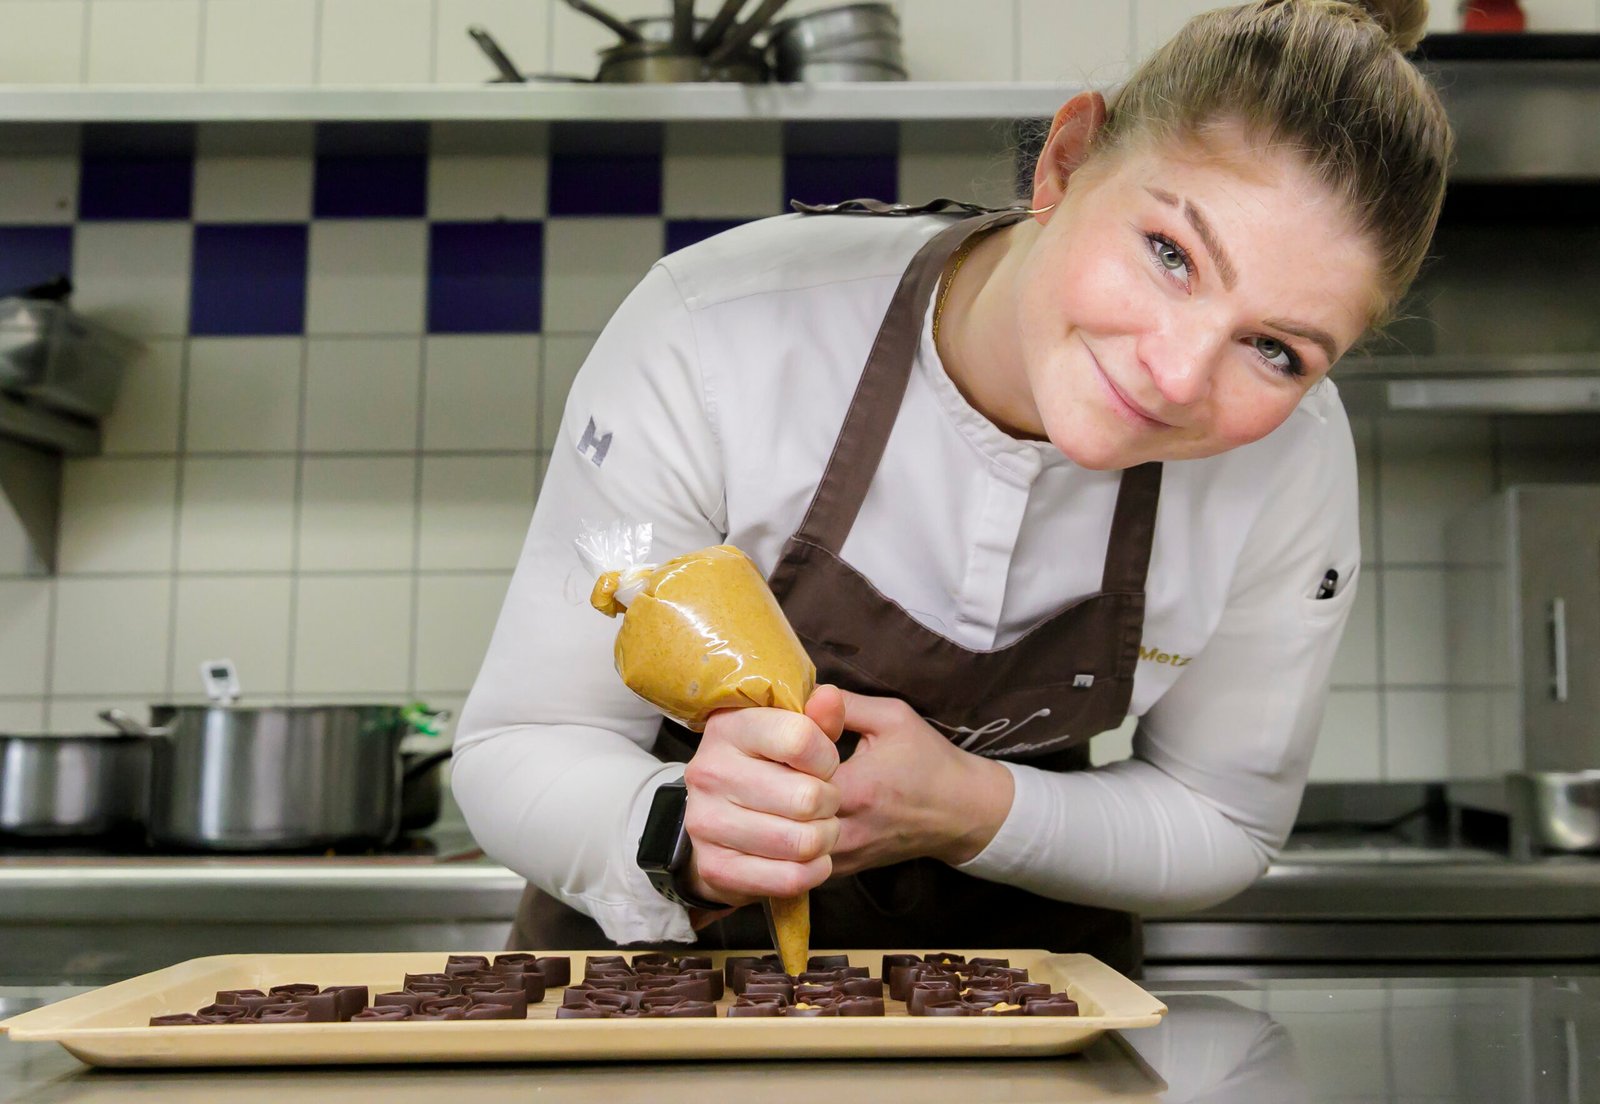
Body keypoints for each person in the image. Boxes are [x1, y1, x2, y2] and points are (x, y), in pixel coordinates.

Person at [452, 0, 1451, 975]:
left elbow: (1223, 818)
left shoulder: (1288, 458)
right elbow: (526, 742)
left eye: (1275, 350)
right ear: (1065, 160)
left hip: (1025, 1033)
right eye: (1168, 255)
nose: (1178, 375)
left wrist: (970, 808)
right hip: (649, 1005)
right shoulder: (720, 331)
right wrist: (681, 835)